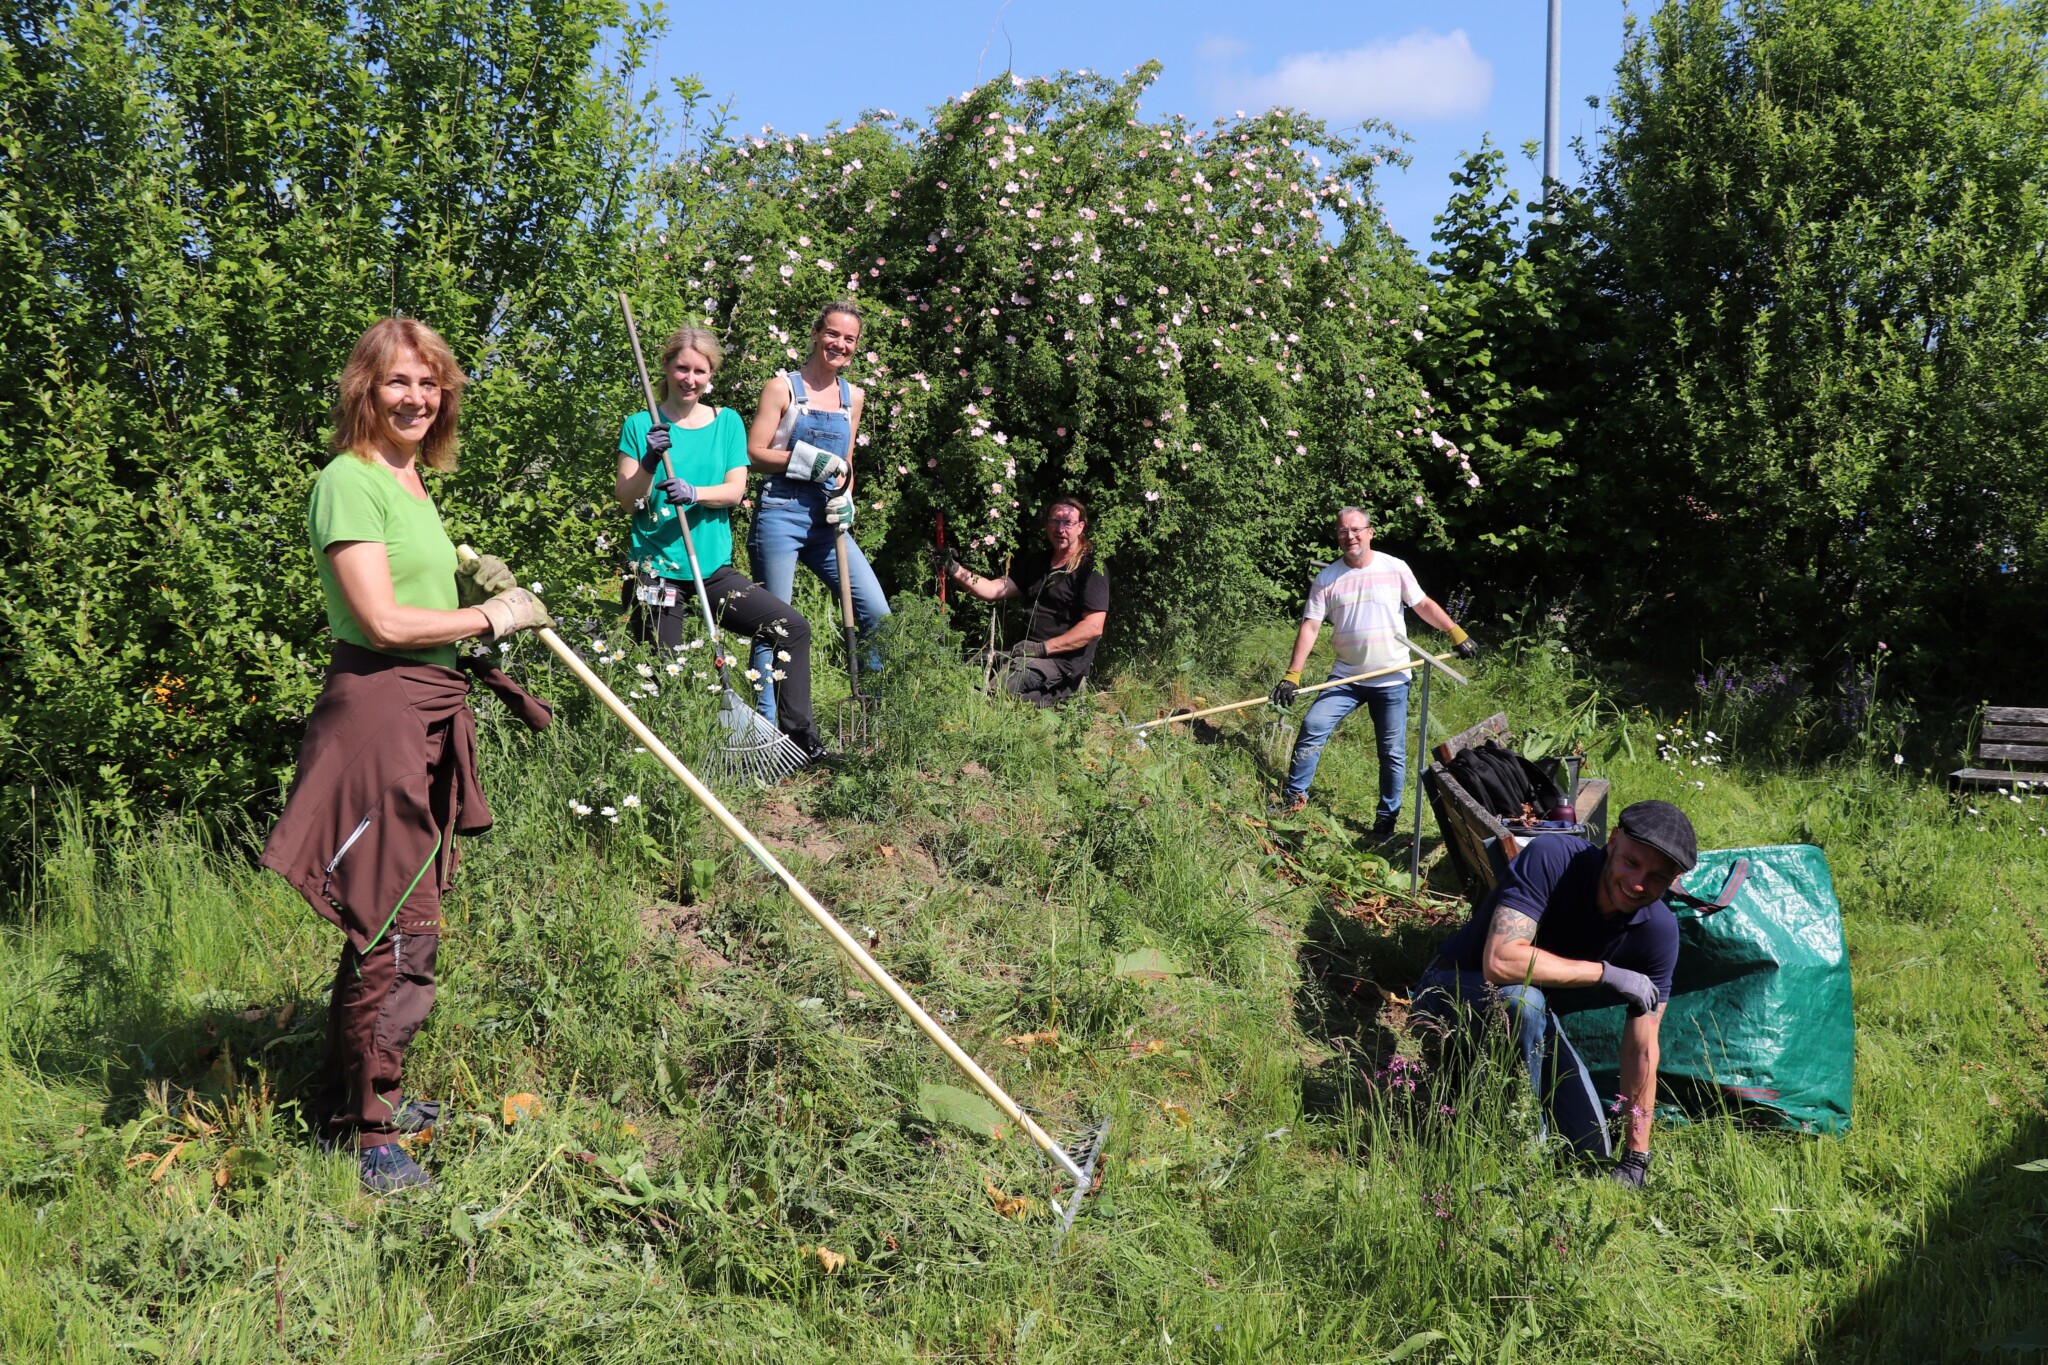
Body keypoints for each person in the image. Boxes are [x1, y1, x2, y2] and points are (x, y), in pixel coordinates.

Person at [260, 317, 555, 1193]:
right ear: (366, 389)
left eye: (431, 384)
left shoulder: (411, 480)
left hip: (422, 707)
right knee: (397, 923)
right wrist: (490, 617)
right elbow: (382, 621)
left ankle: (352, 1099)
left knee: (392, 918)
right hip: (380, 713)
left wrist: (469, 585)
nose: (418, 398)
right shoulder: (348, 481)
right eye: (399, 381)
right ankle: (369, 1132)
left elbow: (414, 596)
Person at [1412, 801, 1698, 1189]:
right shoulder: (1553, 858)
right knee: (1522, 1001)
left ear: (1673, 879)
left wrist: (1636, 1156)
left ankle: (1510, 1119)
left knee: (1590, 1150)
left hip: (1530, 1019)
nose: (1637, 884)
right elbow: (1500, 961)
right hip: (1450, 990)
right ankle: (1520, 1159)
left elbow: (1642, 1050)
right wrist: (1604, 973)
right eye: (1632, 863)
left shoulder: (1658, 932)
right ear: (1613, 841)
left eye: (1656, 877)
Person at [616, 324, 830, 764]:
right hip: (655, 570)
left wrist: (694, 492)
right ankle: (673, 760)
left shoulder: (726, 421)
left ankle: (799, 737)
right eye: (682, 368)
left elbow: (735, 491)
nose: (689, 379)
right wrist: (651, 461)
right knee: (662, 675)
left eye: (700, 371)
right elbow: (628, 500)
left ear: (710, 374)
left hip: (710, 568)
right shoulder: (640, 426)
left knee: (791, 628)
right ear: (666, 368)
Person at [1269, 506, 1478, 833]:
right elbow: (1310, 626)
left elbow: (1422, 604)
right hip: (1347, 676)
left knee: (1391, 752)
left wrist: (1455, 631)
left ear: (1370, 532)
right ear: (1337, 536)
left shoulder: (1394, 567)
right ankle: (1294, 797)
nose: (1349, 536)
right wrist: (1292, 674)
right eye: (1343, 531)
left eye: (1356, 530)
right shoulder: (1327, 579)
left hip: (1392, 678)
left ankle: (1386, 819)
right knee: (1313, 724)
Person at [744, 302, 891, 721]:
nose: (840, 344)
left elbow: (846, 462)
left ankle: (873, 713)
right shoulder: (782, 388)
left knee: (876, 613)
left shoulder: (853, 397)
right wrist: (806, 460)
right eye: (832, 334)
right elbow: (754, 453)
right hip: (782, 512)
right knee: (773, 621)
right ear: (815, 333)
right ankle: (767, 727)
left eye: (849, 339)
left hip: (827, 519)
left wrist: (847, 497)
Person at [937, 496, 1109, 706]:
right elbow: (993, 590)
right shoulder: (1039, 562)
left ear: (1080, 527)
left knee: (1001, 688)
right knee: (969, 669)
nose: (1060, 529)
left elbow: (1093, 628)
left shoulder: (1090, 568)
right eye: (1055, 521)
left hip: (1062, 661)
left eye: (1068, 523)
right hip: (1025, 652)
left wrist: (1043, 649)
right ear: (1047, 524)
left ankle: (1067, 692)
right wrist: (954, 568)